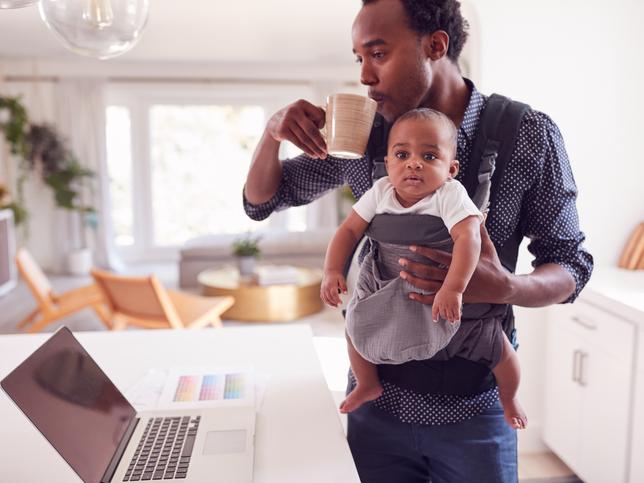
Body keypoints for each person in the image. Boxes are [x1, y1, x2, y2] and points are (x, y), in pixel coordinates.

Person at [243, 0, 593, 481]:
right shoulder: (366, 134)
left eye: (378, 54)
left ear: (435, 45)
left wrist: (506, 287)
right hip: (376, 401)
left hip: (475, 405)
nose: (365, 75)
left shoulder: (526, 135)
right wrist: (271, 134)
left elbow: (571, 265)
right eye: (358, 58)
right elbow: (263, 200)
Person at [320, 108, 527, 431]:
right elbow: (348, 231)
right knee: (355, 331)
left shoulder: (449, 195)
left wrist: (454, 288)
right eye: (402, 154)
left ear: (451, 170)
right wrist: (332, 270)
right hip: (387, 287)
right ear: (388, 164)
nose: (414, 163)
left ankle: (510, 397)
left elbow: (468, 238)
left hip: (440, 297)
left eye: (430, 156)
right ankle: (367, 382)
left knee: (499, 348)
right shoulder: (381, 192)